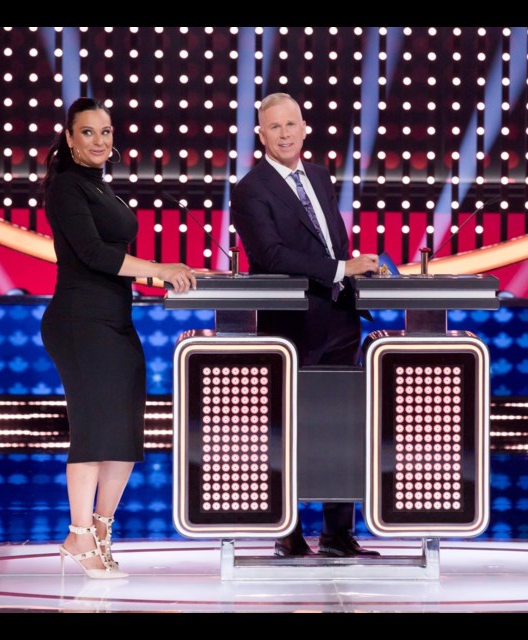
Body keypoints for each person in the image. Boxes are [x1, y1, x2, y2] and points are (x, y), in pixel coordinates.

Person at [41, 97, 197, 578]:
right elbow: (93, 253)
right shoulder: (67, 187)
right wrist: (158, 271)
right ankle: (78, 534)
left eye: (106, 132)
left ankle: (101, 529)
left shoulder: (102, 190)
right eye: (88, 133)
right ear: (69, 138)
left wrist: (173, 274)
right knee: (93, 432)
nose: (99, 141)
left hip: (115, 320)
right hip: (79, 321)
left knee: (124, 433)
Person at [230, 93, 380, 558]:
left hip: (339, 319)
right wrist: (341, 268)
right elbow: (271, 256)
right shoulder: (251, 189)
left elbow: (331, 238)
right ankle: (288, 532)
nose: (286, 133)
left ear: (304, 126)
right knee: (290, 427)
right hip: (290, 326)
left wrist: (353, 274)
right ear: (261, 135)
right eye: (275, 127)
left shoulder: (318, 175)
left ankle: (338, 534)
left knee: (342, 424)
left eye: (292, 124)